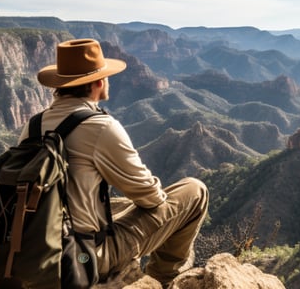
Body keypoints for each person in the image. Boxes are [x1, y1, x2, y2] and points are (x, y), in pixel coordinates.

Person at [23, 38, 209, 286]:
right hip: (82, 257)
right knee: (195, 190)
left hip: (34, 252)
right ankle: (162, 278)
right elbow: (151, 197)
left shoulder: (33, 125)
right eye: (106, 76)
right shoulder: (101, 126)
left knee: (118, 205)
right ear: (99, 83)